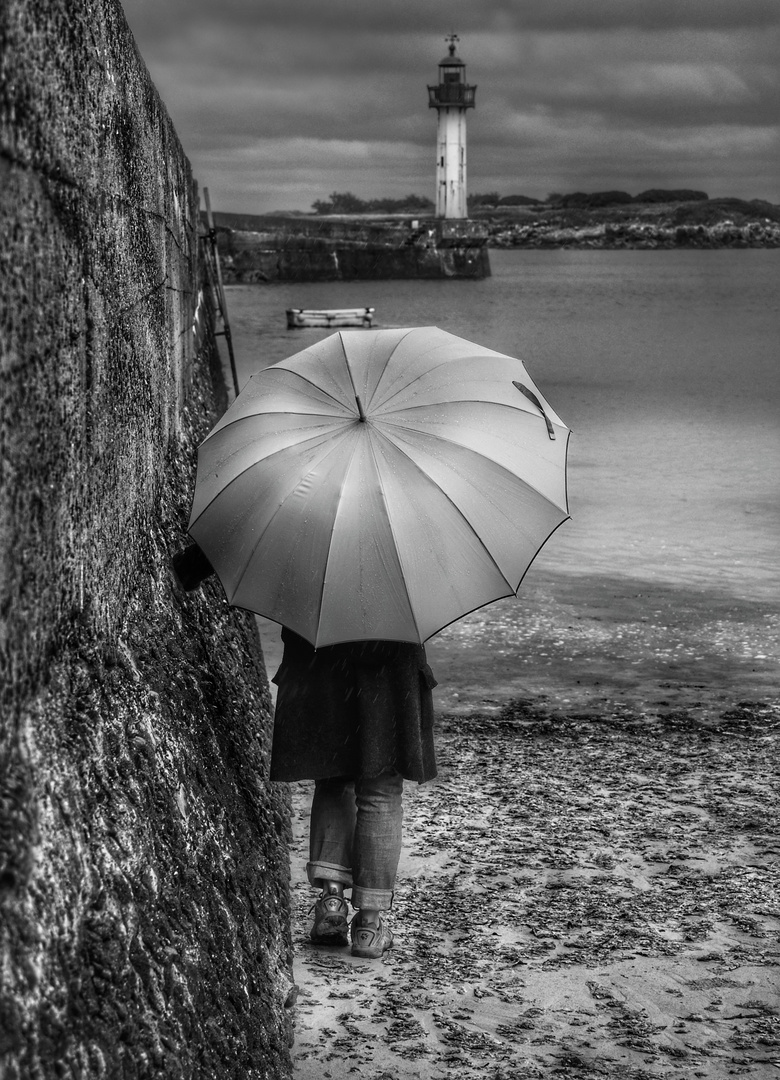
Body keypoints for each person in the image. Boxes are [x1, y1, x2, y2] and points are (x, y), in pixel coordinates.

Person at [171, 542, 438, 960]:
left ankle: (331, 901)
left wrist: (188, 566)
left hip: (321, 650)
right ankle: (368, 925)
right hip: (389, 653)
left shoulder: (310, 501)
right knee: (381, 789)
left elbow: (251, 530)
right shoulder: (408, 514)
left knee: (333, 775)